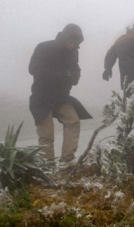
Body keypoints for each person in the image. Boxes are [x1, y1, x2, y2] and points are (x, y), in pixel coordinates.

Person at [29, 23, 92, 169]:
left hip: (61, 97)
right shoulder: (44, 47)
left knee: (73, 121)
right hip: (42, 97)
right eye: (71, 41)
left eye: (76, 42)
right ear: (64, 37)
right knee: (47, 134)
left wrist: (75, 76)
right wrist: (61, 75)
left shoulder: (74, 52)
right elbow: (34, 69)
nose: (73, 44)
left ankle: (67, 160)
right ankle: (47, 165)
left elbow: (76, 68)